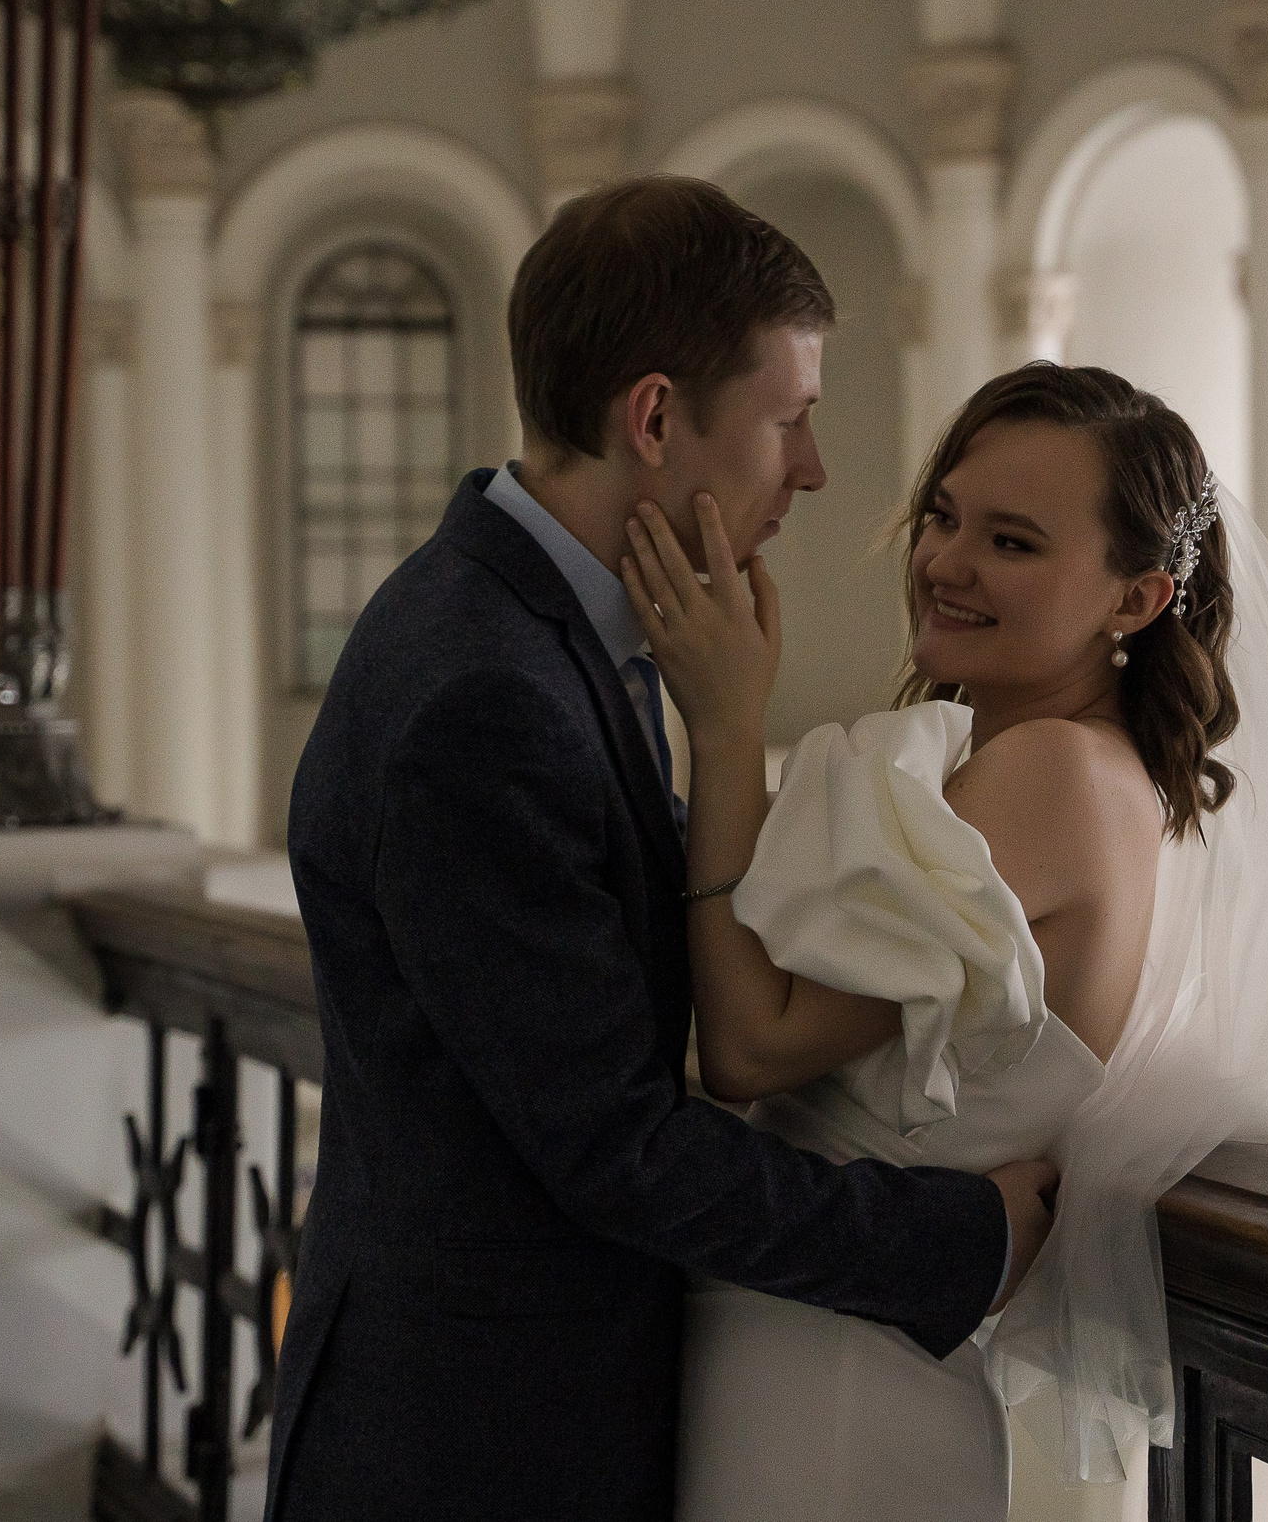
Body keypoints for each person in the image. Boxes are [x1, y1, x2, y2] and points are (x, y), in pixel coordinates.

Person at [631, 362, 1268, 1520]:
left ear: (1135, 600)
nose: (946, 562)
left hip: (829, 1378)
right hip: (826, 1347)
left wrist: (725, 725)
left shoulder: (1052, 776)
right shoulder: (1082, 772)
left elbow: (751, 1048)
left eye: (1012, 542)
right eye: (944, 516)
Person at [262, 177, 1060, 1522]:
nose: (812, 468)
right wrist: (957, 1236)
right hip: (477, 1448)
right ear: (653, 418)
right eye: (788, 418)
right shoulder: (488, 695)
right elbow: (615, 1147)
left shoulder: (541, 628)